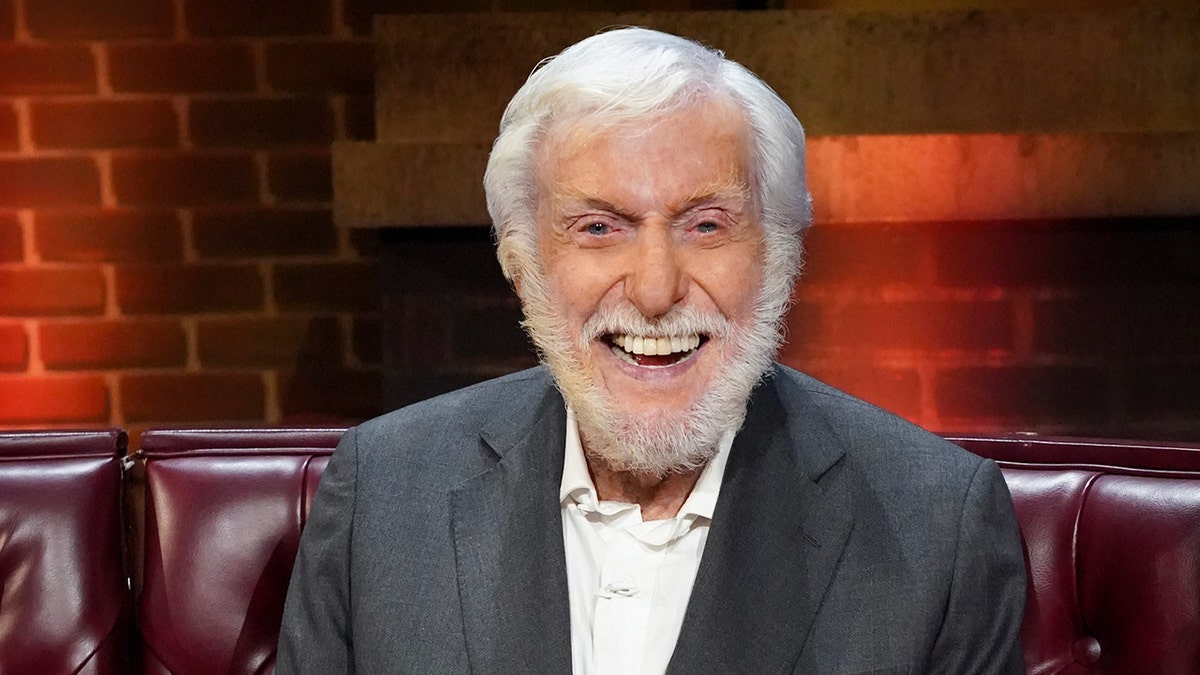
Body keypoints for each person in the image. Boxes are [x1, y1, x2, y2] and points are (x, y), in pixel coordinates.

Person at [278, 27, 1026, 674]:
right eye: (600, 228)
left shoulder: (937, 528)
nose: (658, 287)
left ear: (778, 255)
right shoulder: (381, 494)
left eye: (706, 225)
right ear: (521, 260)